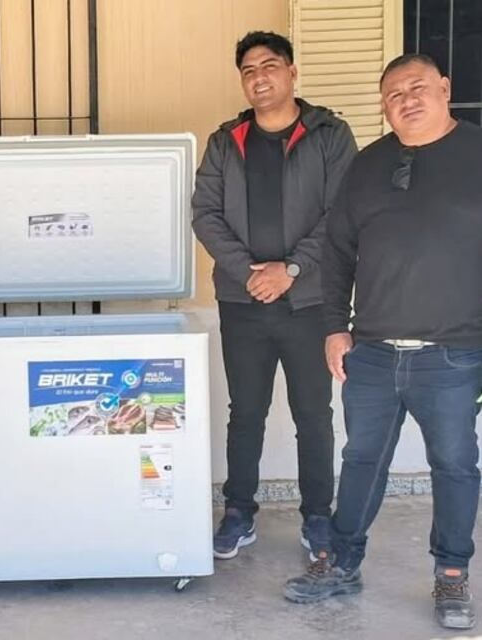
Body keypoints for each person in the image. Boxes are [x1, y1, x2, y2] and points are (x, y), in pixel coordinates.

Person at [284, 53, 482, 632]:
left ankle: (451, 575)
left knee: (454, 464)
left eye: (417, 87)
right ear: (383, 106)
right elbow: (338, 250)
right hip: (370, 351)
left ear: (445, 88)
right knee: (361, 461)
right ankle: (343, 563)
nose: (406, 100)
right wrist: (333, 327)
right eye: (393, 94)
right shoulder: (367, 165)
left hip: (453, 353)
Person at [191, 31, 356, 561]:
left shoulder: (329, 135)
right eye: (248, 70)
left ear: (291, 73)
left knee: (313, 414)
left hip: (310, 303)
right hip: (243, 303)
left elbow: (342, 213)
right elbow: (206, 215)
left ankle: (317, 517)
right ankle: (238, 510)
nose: (259, 77)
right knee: (246, 412)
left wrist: (290, 269)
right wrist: (250, 273)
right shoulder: (225, 141)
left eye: (269, 65)